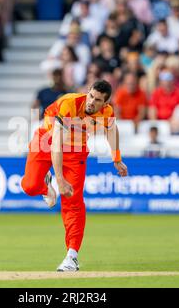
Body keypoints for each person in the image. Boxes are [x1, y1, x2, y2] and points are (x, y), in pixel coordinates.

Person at [21, 80, 128, 272]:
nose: (91, 103)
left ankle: (72, 256)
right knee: (29, 186)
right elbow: (56, 144)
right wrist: (59, 180)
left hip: (76, 150)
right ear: (87, 92)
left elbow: (111, 130)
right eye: (91, 96)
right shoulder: (69, 103)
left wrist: (117, 159)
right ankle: (47, 187)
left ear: (105, 104)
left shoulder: (107, 112)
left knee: (73, 201)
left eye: (97, 101)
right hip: (47, 140)